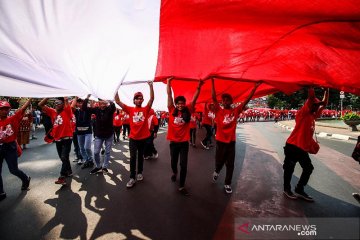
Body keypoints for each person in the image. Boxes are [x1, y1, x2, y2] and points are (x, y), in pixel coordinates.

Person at [211, 78, 261, 194]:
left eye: (228, 100)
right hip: (220, 142)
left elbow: (247, 100)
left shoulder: (236, 110)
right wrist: (212, 81)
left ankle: (227, 183)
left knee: (230, 163)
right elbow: (213, 98)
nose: (226, 101)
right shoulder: (219, 111)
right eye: (224, 100)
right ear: (222, 102)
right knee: (219, 161)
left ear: (231, 101)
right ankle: (217, 171)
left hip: (231, 142)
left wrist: (254, 87)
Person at [283, 87, 329, 201]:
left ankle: (299, 189)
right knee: (289, 169)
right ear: (310, 104)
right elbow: (311, 97)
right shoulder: (303, 113)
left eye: (317, 105)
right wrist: (311, 85)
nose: (317, 106)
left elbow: (324, 104)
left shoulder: (313, 116)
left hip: (302, 149)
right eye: (315, 105)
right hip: (293, 147)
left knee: (308, 168)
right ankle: (286, 189)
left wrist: (327, 90)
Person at [167, 78, 203, 196]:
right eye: (178, 103)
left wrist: (199, 86)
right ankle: (174, 172)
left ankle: (182, 186)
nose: (180, 105)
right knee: (173, 162)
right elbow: (169, 95)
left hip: (183, 144)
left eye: (182, 103)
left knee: (183, 164)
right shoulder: (171, 109)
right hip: (173, 143)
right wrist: (168, 82)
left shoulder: (188, 111)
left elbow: (194, 99)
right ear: (176, 104)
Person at [115, 81, 154, 188]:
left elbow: (151, 100)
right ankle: (132, 177)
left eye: (140, 98)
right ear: (134, 100)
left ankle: (140, 173)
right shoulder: (130, 109)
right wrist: (116, 88)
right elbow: (117, 101)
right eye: (137, 98)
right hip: (133, 138)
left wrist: (151, 86)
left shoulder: (146, 109)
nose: (139, 100)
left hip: (143, 138)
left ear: (142, 100)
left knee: (140, 156)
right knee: (133, 157)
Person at [0, 99, 32, 202]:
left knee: (13, 169)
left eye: (6, 109)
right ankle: (1, 192)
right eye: (2, 109)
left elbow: (23, 109)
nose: (4, 111)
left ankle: (25, 178)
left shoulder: (13, 118)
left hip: (10, 147)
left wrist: (30, 98)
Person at [39, 97, 74, 185]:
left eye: (59, 103)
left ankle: (62, 177)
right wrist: (48, 96)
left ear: (63, 104)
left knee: (64, 157)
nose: (57, 104)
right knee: (63, 158)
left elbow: (67, 103)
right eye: (56, 102)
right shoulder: (52, 112)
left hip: (67, 139)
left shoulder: (67, 111)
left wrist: (65, 99)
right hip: (57, 139)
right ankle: (69, 170)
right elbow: (40, 105)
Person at [83, 95, 116, 175]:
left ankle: (105, 167)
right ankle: (98, 167)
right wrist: (87, 98)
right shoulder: (96, 110)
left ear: (106, 102)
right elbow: (84, 108)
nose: (103, 105)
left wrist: (109, 99)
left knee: (107, 152)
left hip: (109, 135)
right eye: (101, 102)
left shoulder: (110, 109)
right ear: (99, 103)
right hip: (99, 135)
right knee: (96, 152)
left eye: (104, 102)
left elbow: (113, 107)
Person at [71, 97, 94, 169]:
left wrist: (88, 98)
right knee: (81, 149)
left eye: (82, 102)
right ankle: (86, 160)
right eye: (79, 102)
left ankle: (90, 159)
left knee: (87, 147)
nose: (80, 104)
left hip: (88, 132)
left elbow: (92, 105)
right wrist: (76, 98)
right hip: (79, 133)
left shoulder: (88, 110)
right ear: (77, 104)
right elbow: (72, 106)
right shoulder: (76, 111)